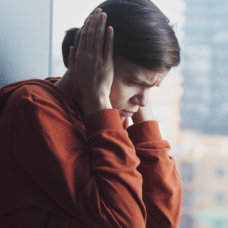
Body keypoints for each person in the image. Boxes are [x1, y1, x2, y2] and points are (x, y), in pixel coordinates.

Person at [0, 0, 182, 227]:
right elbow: (126, 222)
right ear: (92, 64)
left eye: (152, 87)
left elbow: (163, 222)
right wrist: (98, 100)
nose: (143, 101)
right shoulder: (33, 110)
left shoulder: (109, 118)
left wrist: (142, 121)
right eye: (134, 82)